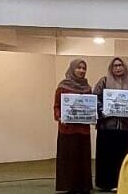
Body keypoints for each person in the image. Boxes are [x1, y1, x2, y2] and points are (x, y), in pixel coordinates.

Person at [93, 57, 128, 191]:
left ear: (125, 67)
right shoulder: (103, 81)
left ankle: (123, 183)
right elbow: (95, 98)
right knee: (107, 155)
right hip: (107, 127)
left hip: (125, 128)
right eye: (115, 66)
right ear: (111, 68)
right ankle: (106, 184)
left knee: (123, 155)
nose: (118, 68)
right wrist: (102, 110)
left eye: (120, 65)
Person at [53, 58, 93, 194]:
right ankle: (69, 186)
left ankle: (84, 186)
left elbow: (90, 107)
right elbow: (57, 106)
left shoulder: (87, 88)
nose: (81, 70)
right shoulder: (63, 86)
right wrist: (59, 117)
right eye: (78, 68)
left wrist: (93, 115)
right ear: (72, 69)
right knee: (69, 158)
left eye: (84, 68)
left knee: (83, 158)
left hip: (83, 130)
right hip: (67, 130)